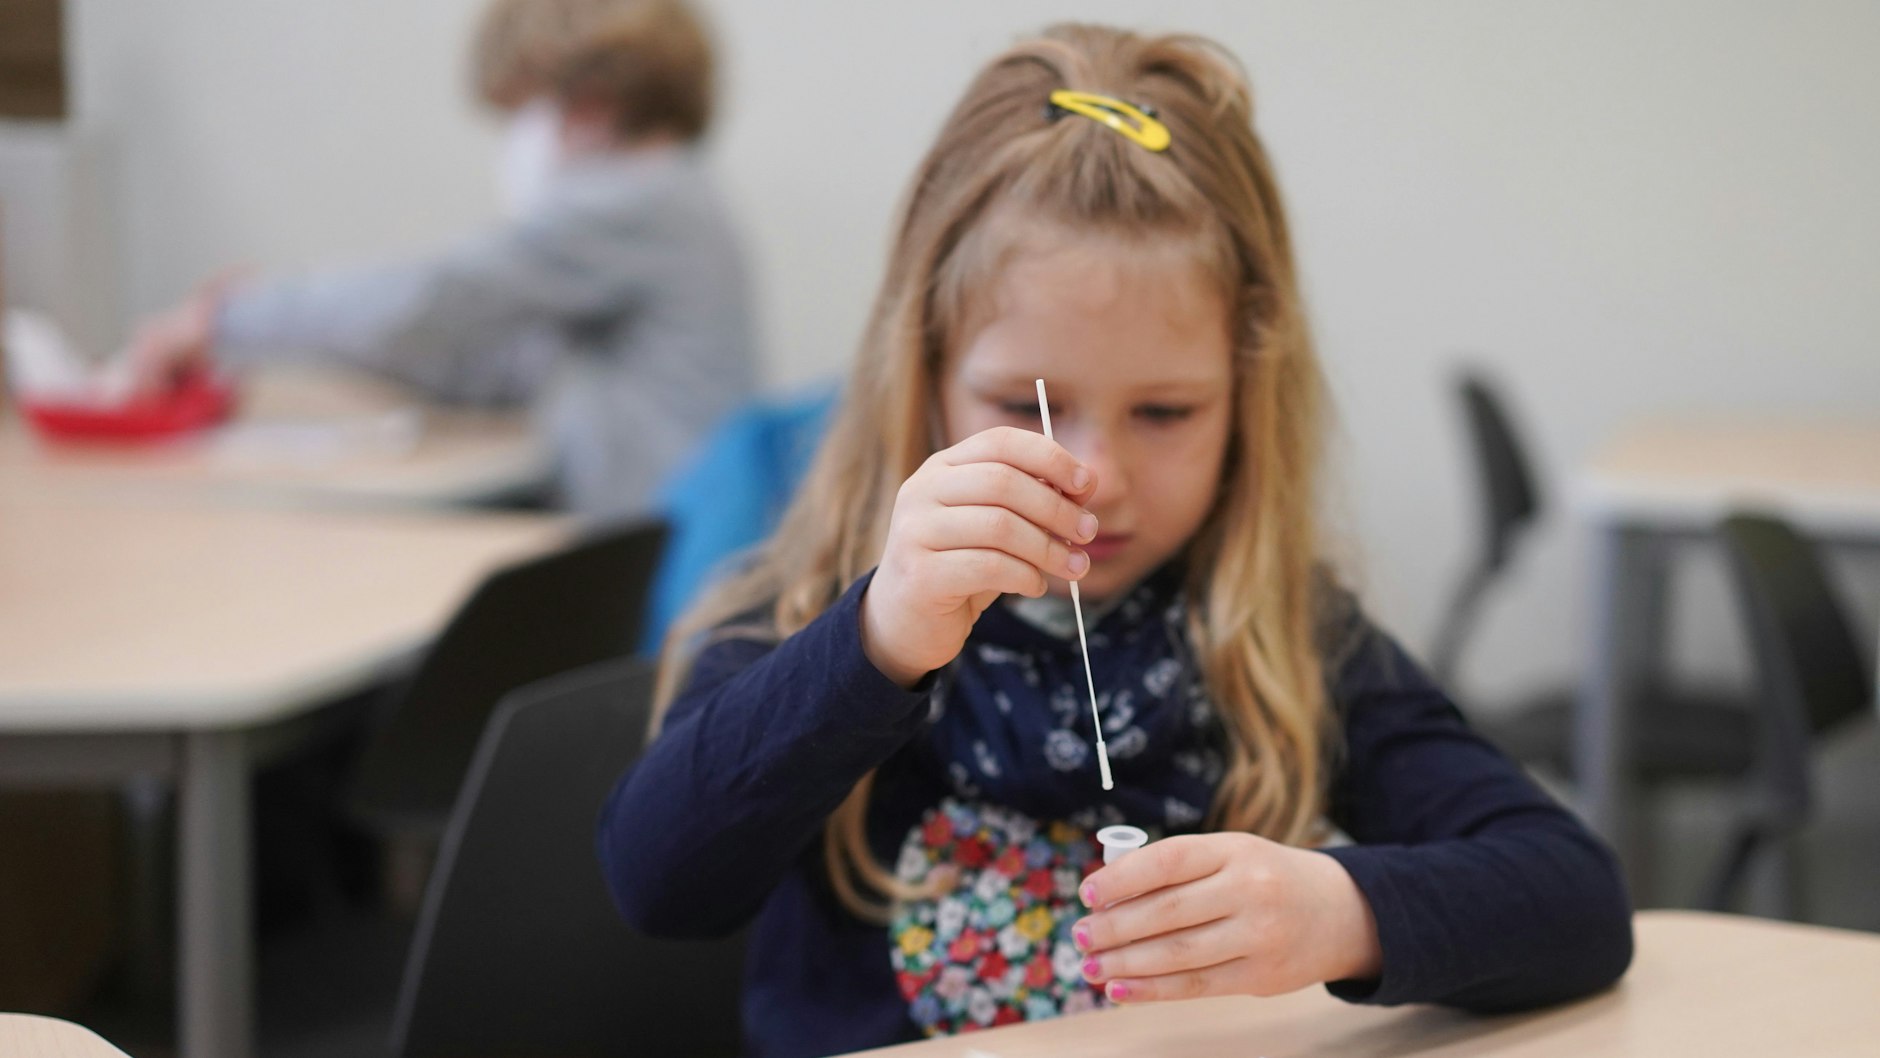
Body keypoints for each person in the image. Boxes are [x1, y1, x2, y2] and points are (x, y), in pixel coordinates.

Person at [598, 23, 1632, 1057]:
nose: (1096, 477)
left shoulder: (1281, 633)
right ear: (924, 378)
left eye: (1165, 411)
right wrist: (878, 639)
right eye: (1024, 405)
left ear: (1247, 402)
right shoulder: (810, 611)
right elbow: (657, 885)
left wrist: (1338, 910)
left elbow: (1576, 898)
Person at [126, 0, 755, 520]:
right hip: (655, 536)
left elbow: (432, 301)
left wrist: (221, 319)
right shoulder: (673, 200)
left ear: (591, 103)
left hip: (651, 560)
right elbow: (495, 359)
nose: (518, 143)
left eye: (524, 112)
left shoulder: (636, 202)